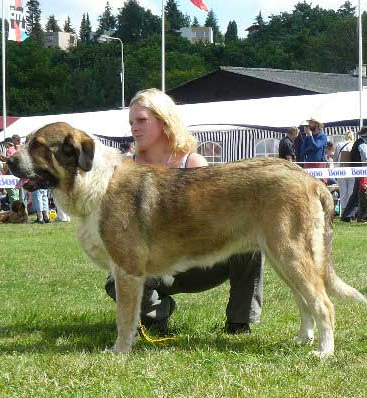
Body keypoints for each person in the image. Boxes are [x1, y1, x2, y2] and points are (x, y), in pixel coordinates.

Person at [104, 88, 264, 336]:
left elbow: (217, 221)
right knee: (115, 281)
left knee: (250, 243)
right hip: (157, 266)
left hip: (201, 262)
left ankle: (239, 321)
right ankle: (157, 316)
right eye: (132, 122)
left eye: (142, 120)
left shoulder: (194, 163)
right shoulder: (126, 170)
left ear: (164, 120)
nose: (134, 128)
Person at [340, 127, 367, 222]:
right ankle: (348, 215)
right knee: (359, 193)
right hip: (362, 171)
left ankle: (351, 214)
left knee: (358, 193)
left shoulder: (358, 143)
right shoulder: (362, 145)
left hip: (358, 171)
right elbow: (365, 160)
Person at [335, 130, 356, 215]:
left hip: (341, 170)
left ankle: (343, 211)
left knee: (343, 191)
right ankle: (350, 212)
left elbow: (335, 157)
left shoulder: (339, 144)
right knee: (351, 192)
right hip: (352, 171)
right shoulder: (354, 145)